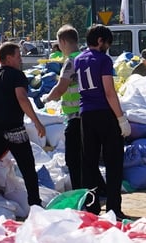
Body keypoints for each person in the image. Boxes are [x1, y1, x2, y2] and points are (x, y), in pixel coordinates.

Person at [0, 42, 46, 211]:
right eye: (18, 56)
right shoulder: (17, 75)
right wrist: (37, 122)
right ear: (9, 58)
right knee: (27, 166)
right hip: (14, 129)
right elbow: (22, 98)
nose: (21, 59)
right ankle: (35, 203)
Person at [74, 24, 132, 219]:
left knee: (89, 162)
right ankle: (113, 208)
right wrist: (121, 118)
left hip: (86, 114)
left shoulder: (78, 59)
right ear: (100, 41)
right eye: (107, 43)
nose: (108, 47)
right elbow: (109, 91)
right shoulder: (103, 60)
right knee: (113, 161)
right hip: (105, 113)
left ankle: (91, 208)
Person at [42, 24, 94, 190]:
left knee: (73, 159)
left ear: (63, 41)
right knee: (88, 157)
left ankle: (80, 192)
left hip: (75, 115)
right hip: (91, 113)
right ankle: (96, 190)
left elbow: (60, 89)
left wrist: (46, 99)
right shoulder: (88, 58)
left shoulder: (71, 61)